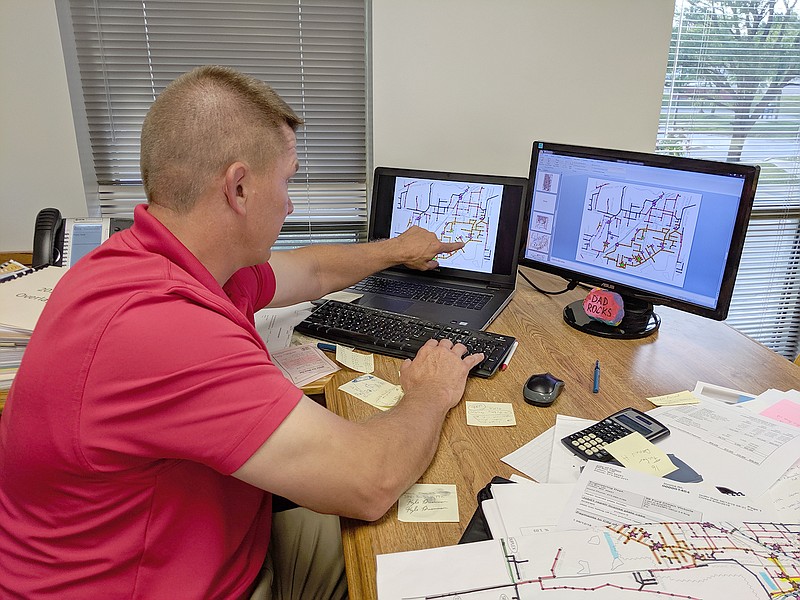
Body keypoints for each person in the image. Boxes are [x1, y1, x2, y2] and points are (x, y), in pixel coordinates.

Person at [0, 65, 484, 599]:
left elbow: (311, 271)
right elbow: (370, 481)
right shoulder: (162, 328)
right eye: (287, 179)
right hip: (168, 586)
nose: (291, 202)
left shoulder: (152, 260)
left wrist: (396, 250)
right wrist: (431, 391)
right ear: (239, 187)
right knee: (420, 561)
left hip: (211, 541)